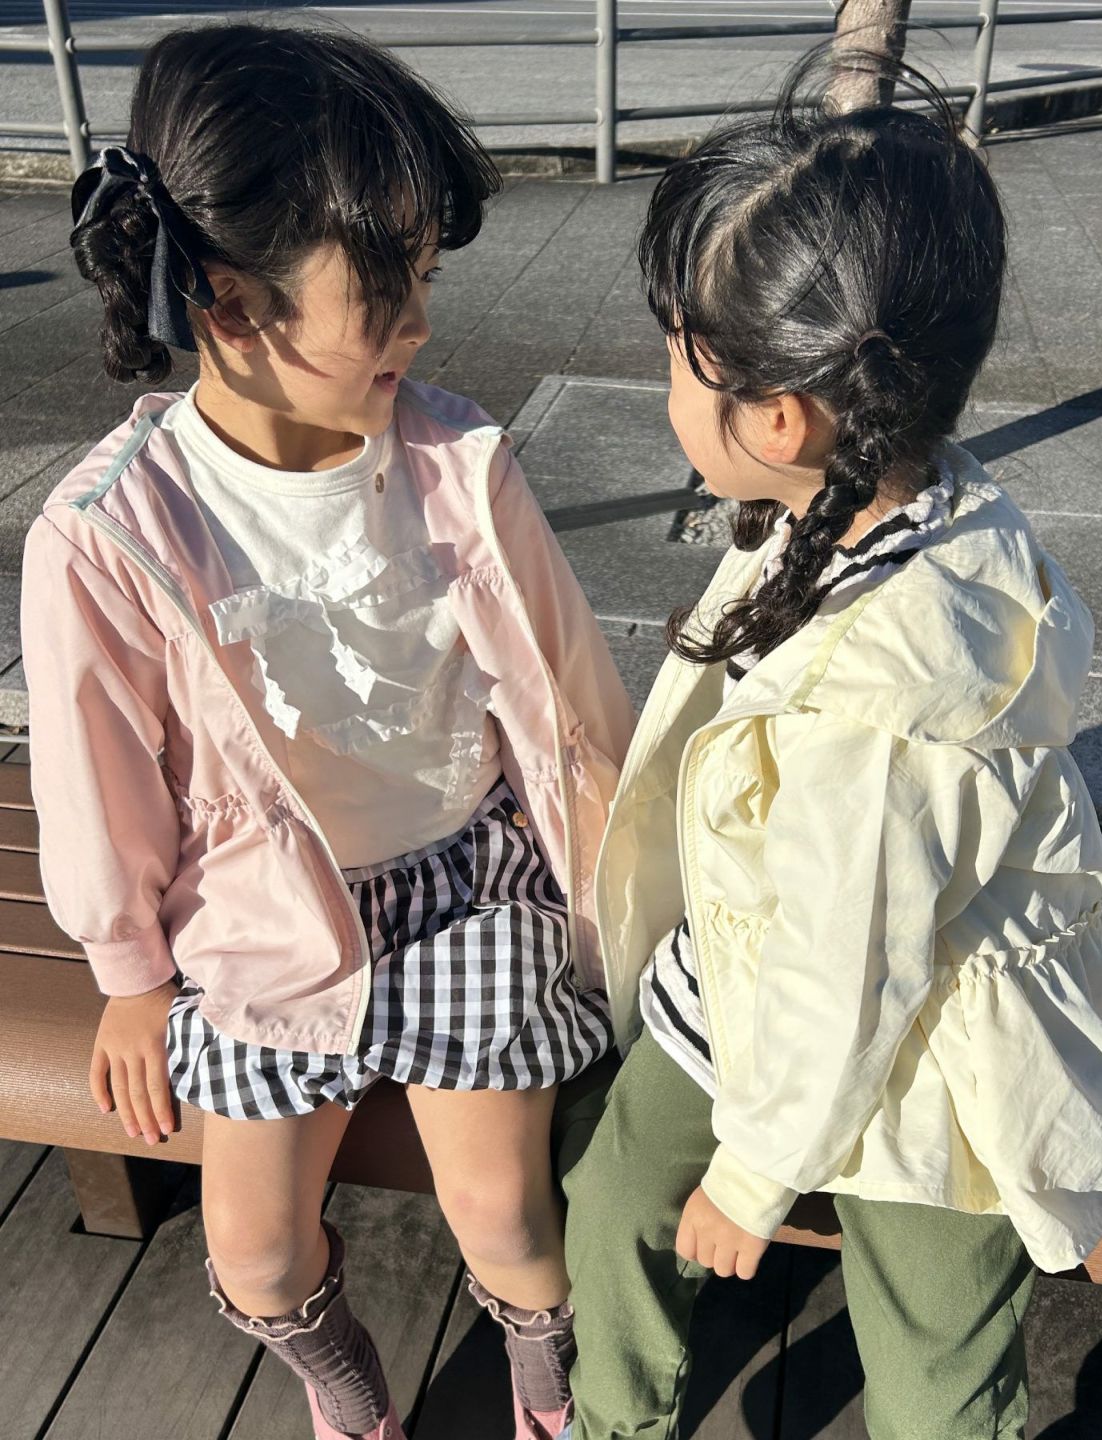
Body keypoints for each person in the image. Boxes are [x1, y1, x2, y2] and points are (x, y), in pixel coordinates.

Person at [22, 25, 633, 1440]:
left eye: (426, 278)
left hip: (470, 886)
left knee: (504, 1212)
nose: (418, 323)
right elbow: (97, 777)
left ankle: (550, 1389)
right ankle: (342, 1384)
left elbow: (570, 696)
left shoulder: (456, 461)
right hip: (257, 921)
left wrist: (625, 885)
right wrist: (128, 975)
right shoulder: (112, 531)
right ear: (233, 303)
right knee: (253, 1251)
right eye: (387, 287)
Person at [561, 53, 1102, 1440]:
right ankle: (614, 1418)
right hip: (746, 986)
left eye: (678, 358)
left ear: (779, 417)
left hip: (941, 1060)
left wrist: (752, 1180)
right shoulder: (876, 500)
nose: (665, 386)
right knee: (612, 1201)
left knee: (935, 1354)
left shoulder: (882, 710)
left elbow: (853, 975)